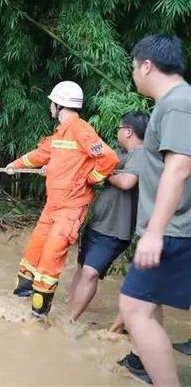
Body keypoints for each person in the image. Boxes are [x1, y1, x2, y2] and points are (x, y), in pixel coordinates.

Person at [5, 80, 119, 317]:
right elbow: (41, 154)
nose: (50, 107)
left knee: (50, 260)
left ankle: (38, 317)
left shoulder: (81, 129)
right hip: (53, 205)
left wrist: (90, 178)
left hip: (71, 208)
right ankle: (19, 300)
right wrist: (15, 165)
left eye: (51, 103)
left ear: (59, 105)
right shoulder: (60, 133)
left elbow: (109, 158)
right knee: (34, 251)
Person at [117, 35, 191, 386]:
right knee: (144, 304)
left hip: (174, 229)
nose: (133, 74)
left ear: (147, 65)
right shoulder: (174, 102)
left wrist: (155, 232)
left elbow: (180, 167)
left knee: (134, 309)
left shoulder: (178, 103)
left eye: (134, 67)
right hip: (173, 227)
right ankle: (147, 366)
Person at [68, 111, 149, 323]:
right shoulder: (122, 155)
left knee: (90, 273)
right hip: (98, 224)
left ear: (129, 131)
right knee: (81, 267)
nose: (118, 133)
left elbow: (127, 182)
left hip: (115, 230)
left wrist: (102, 174)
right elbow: (97, 163)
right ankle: (67, 311)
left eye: (119, 129)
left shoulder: (141, 154)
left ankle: (71, 321)